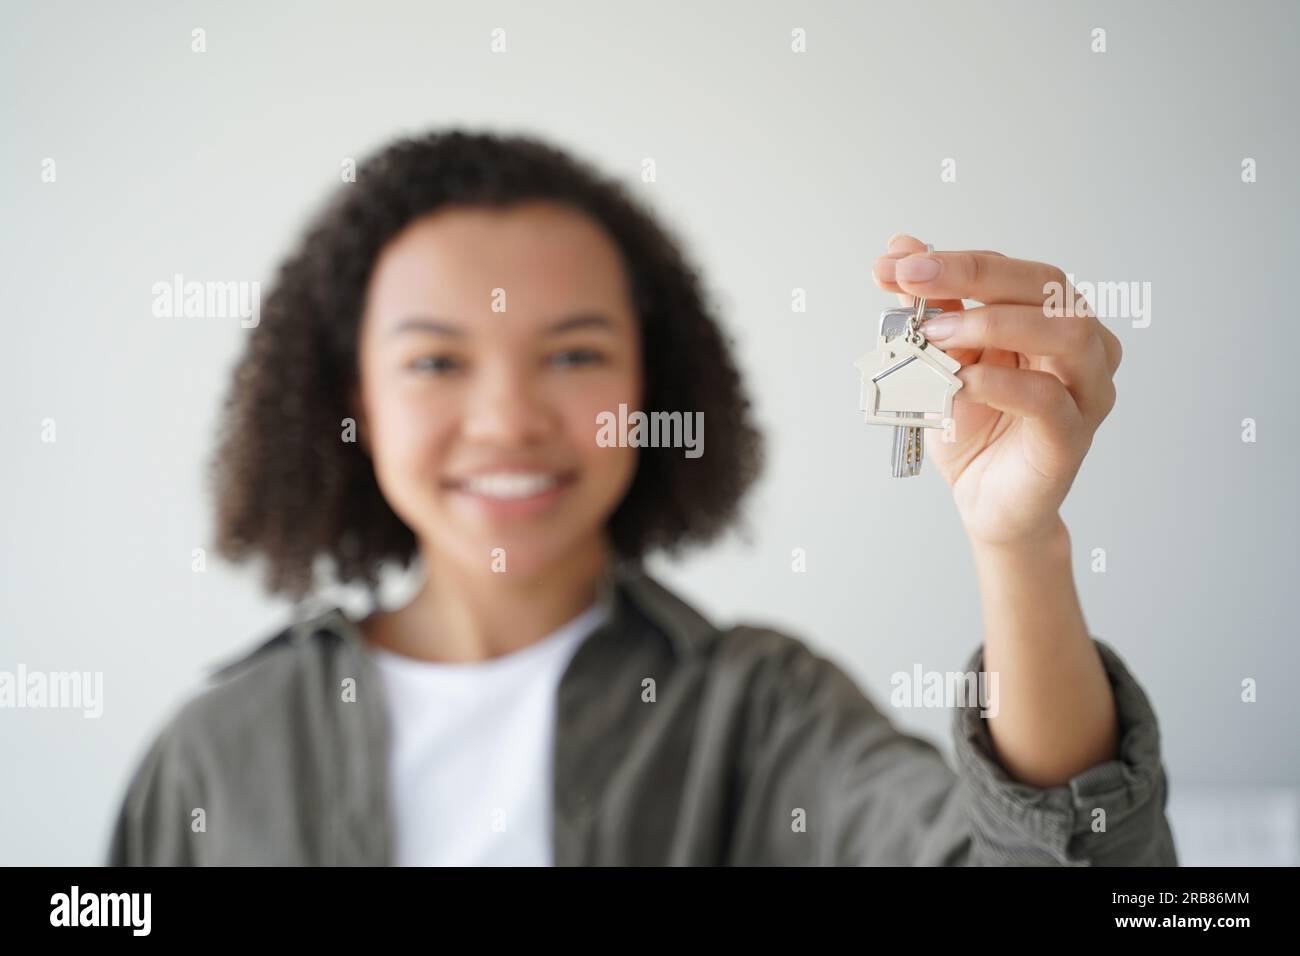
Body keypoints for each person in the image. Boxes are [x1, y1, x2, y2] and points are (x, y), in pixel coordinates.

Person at [107, 130, 1176, 866]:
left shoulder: (762, 714)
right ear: (354, 401)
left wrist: (1018, 544)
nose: (509, 419)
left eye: (574, 354)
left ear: (649, 388)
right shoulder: (215, 749)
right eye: (436, 362)